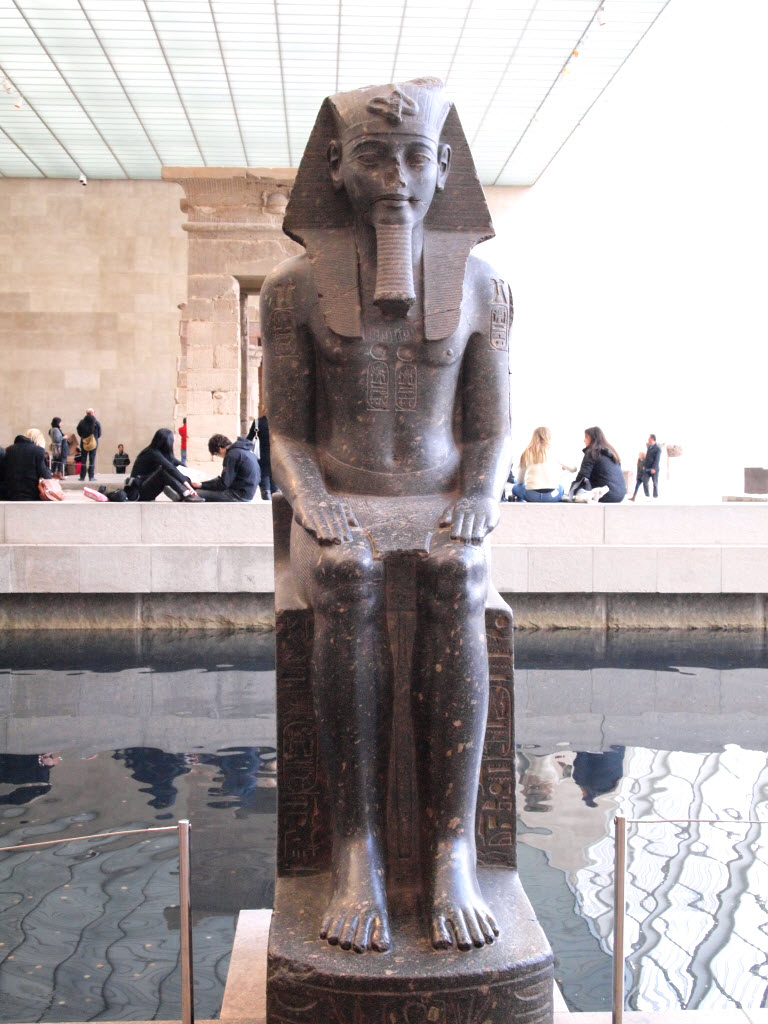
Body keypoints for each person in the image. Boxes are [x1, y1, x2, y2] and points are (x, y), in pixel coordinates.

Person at [263, 78, 511, 953]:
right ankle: (355, 851)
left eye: (414, 157)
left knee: (459, 573)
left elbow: (489, 431)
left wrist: (478, 499)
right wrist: (317, 503)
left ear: (445, 169)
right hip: (343, 497)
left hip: (440, 496)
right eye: (373, 157)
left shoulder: (482, 285)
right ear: (336, 168)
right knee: (346, 573)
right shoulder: (293, 291)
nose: (396, 178)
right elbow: (286, 433)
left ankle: (452, 850)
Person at [129, 428, 202, 502]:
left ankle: (185, 494)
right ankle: (187, 494)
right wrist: (188, 486)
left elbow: (177, 464)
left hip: (145, 489)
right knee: (163, 471)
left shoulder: (162, 454)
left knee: (172, 471)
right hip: (138, 493)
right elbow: (170, 468)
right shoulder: (152, 453)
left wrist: (191, 477)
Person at [185, 433, 260, 502]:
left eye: (216, 454)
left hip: (238, 495)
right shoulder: (244, 451)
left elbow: (224, 484)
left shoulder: (232, 455)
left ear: (220, 448)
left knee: (195, 494)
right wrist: (203, 484)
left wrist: (201, 485)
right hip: (247, 492)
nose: (219, 456)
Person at [511, 426, 574, 503]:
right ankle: (560, 498)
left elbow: (520, 480)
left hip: (532, 496)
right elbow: (574, 469)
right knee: (560, 487)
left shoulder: (526, 453)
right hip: (552, 496)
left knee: (515, 488)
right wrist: (564, 467)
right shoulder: (555, 451)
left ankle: (520, 503)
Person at [571, 426, 626, 503]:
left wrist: (572, 491)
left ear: (593, 438)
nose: (584, 440)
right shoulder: (612, 453)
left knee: (580, 489)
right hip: (620, 495)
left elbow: (583, 476)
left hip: (605, 495)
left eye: (586, 437)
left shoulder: (592, 452)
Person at [0, 431, 52, 500]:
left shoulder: (8, 450)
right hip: (32, 495)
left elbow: (3, 475)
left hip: (9, 495)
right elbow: (45, 476)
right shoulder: (39, 451)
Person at [77, 407, 101, 481]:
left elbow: (78, 430)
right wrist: (95, 438)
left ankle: (82, 476)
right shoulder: (96, 422)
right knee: (92, 459)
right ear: (92, 413)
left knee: (83, 459)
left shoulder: (81, 422)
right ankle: (91, 476)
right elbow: (99, 433)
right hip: (93, 443)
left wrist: (83, 437)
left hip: (84, 442)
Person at [643, 433, 661, 498]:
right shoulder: (649, 447)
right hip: (647, 468)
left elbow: (657, 460)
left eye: (649, 438)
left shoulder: (658, 448)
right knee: (645, 482)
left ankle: (655, 496)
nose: (648, 439)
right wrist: (644, 465)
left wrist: (654, 468)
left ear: (652, 439)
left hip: (654, 469)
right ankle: (647, 495)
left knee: (655, 483)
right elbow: (647, 457)